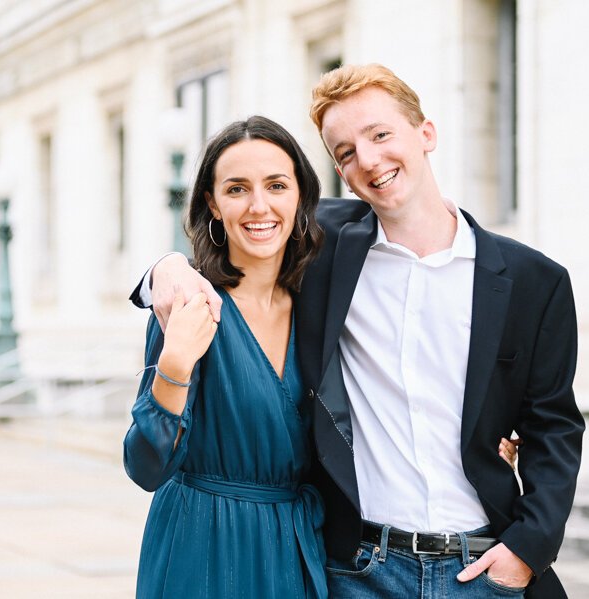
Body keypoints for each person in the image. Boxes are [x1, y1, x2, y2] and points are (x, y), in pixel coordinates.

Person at [137, 64, 583, 598]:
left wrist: (527, 549)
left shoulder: (534, 281)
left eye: (380, 134)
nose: (368, 160)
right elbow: (246, 227)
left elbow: (554, 426)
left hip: (482, 567)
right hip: (360, 570)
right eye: (345, 152)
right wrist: (164, 268)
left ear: (426, 133)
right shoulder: (325, 251)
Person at [123, 116, 329, 598]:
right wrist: (174, 366)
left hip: (295, 551)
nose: (260, 206)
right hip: (202, 548)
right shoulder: (189, 304)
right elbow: (145, 467)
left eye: (276, 185)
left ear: (299, 195)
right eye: (237, 189)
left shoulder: (319, 304)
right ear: (212, 204)